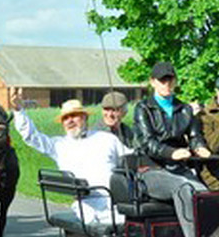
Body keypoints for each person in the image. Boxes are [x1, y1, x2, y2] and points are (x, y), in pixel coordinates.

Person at [10, 88, 130, 225]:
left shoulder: (107, 139)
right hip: (86, 204)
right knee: (106, 224)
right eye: (66, 118)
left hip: (114, 200)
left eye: (74, 116)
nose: (70, 121)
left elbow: (131, 159)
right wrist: (19, 110)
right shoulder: (58, 145)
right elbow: (31, 136)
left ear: (85, 117)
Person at [133, 61, 210, 237]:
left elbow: (194, 136)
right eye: (162, 80)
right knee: (184, 188)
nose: (166, 84)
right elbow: (147, 142)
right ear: (153, 82)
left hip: (179, 169)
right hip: (150, 170)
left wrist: (200, 147)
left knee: (205, 195)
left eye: (170, 80)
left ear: (175, 81)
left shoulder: (185, 109)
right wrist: (171, 152)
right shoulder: (143, 109)